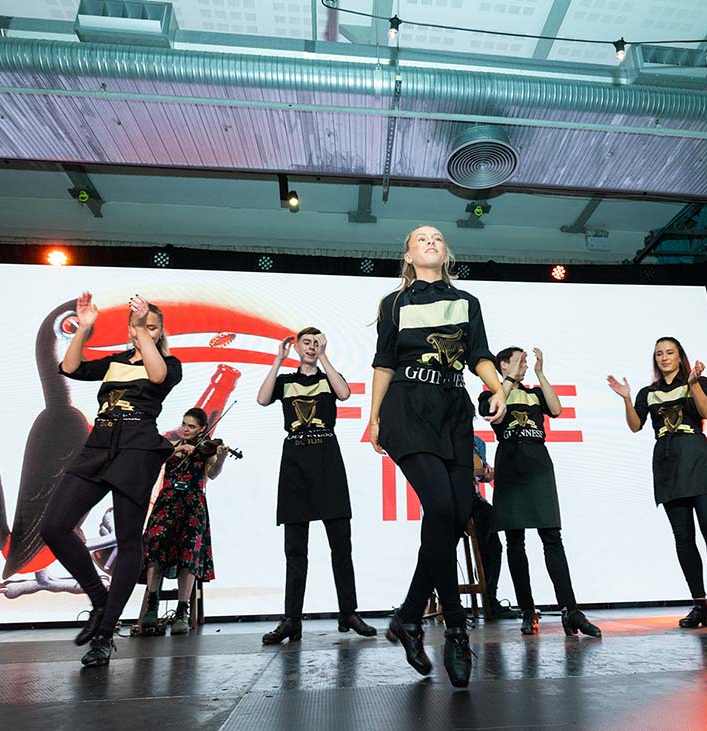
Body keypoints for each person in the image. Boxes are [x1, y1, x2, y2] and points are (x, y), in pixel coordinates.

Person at [370, 224, 506, 688]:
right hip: (407, 409)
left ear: (446, 253)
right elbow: (384, 362)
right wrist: (373, 418)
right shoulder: (394, 304)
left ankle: (409, 616)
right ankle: (454, 628)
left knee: (458, 514)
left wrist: (497, 386)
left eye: (437, 239)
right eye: (420, 239)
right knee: (443, 509)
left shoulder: (467, 301)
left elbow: (480, 355)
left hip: (452, 411)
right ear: (407, 255)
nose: (430, 242)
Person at [40, 292, 183, 667]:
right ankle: (99, 600)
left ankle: (104, 636)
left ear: (160, 331)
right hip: (99, 443)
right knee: (54, 526)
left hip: (137, 447)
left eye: (152, 326)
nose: (143, 331)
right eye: (139, 326)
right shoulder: (116, 362)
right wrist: (84, 329)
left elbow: (156, 375)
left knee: (128, 538)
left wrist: (143, 332)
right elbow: (69, 368)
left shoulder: (169, 363)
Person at [609, 337, 707, 632]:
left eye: (669, 352)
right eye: (659, 353)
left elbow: (706, 412)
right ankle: (700, 605)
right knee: (683, 537)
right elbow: (636, 426)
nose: (664, 357)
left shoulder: (699, 381)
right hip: (667, 462)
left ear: (680, 356)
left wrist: (694, 382)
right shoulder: (647, 392)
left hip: (699, 459)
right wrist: (625, 397)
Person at [256, 327, 375, 643]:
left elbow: (345, 393)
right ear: (296, 346)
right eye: (306, 343)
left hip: (327, 462)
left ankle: (348, 612)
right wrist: (278, 361)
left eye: (317, 342)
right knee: (295, 549)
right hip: (295, 463)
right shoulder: (285, 381)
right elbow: (262, 399)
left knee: (341, 543)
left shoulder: (327, 377)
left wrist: (324, 357)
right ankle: (291, 620)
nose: (311, 346)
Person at [485, 346, 600, 638]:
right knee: (515, 541)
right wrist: (508, 378)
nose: (525, 364)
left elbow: (558, 409)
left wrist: (540, 373)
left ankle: (570, 610)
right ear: (502, 365)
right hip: (511, 465)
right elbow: (495, 416)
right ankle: (527, 610)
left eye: (525, 361)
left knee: (552, 538)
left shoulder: (535, 393)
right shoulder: (490, 394)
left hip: (538, 464)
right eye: (519, 361)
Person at [137, 407, 230, 635]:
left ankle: (182, 611)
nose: (186, 429)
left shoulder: (207, 450)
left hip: (192, 504)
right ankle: (152, 604)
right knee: (155, 547)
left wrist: (222, 458)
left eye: (191, 426)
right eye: (184, 424)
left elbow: (213, 474)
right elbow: (152, 461)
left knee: (189, 555)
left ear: (202, 429)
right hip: (167, 501)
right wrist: (176, 450)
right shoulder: (171, 445)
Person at [472, 433, 519, 620]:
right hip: (448, 499)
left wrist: (486, 474)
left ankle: (490, 597)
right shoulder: (444, 434)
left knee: (492, 543)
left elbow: (480, 471)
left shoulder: (477, 442)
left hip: (473, 499)